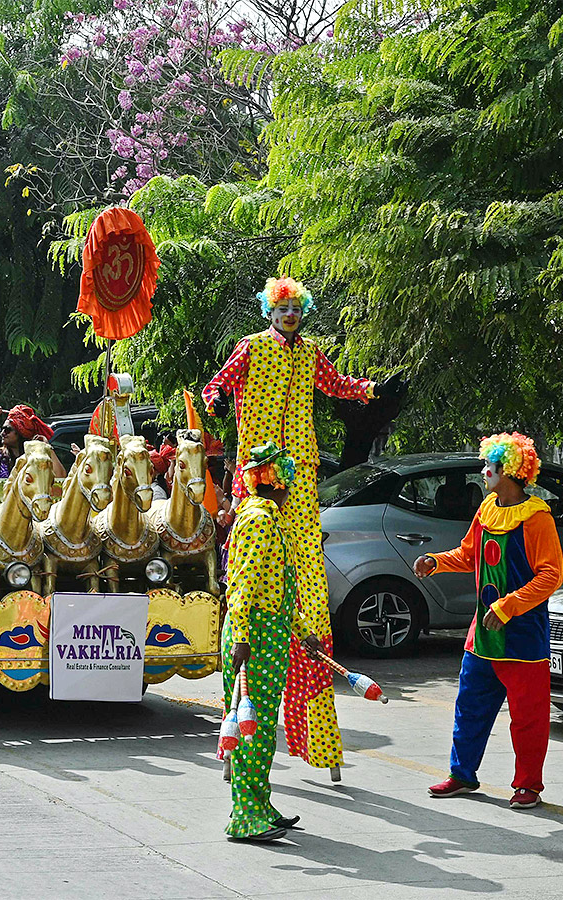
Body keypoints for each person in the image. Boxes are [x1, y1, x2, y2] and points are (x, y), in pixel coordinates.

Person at [204, 276, 402, 778]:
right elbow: (218, 384)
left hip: (302, 473)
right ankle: (242, 729)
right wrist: (217, 401)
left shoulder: (311, 351)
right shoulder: (252, 348)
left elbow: (335, 385)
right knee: (255, 553)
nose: (289, 314)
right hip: (261, 469)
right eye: (282, 307)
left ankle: (310, 728)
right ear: (270, 311)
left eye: (295, 307)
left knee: (307, 574)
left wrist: (369, 389)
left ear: (303, 311)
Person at [414, 433, 562, 810]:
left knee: (528, 718)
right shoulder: (487, 510)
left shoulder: (537, 520)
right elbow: (468, 554)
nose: (483, 473)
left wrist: (509, 606)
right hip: (482, 636)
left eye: (489, 467)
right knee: (469, 707)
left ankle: (528, 785)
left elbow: (551, 576)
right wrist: (437, 561)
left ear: (509, 470)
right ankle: (462, 774)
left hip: (523, 639)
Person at [223, 442, 321, 842]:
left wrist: (301, 630)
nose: (292, 484)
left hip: (271, 632)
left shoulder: (269, 516)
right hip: (255, 637)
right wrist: (244, 637)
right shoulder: (259, 520)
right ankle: (245, 817)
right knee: (253, 727)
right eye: (290, 476)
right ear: (276, 480)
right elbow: (243, 583)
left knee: (262, 726)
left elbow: (276, 587)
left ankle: (260, 805)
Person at [0, 404, 66, 478]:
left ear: (21, 433)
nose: (2, 433)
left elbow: (60, 476)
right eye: (2, 429)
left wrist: (47, 447)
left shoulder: (37, 459)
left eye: (7, 430)